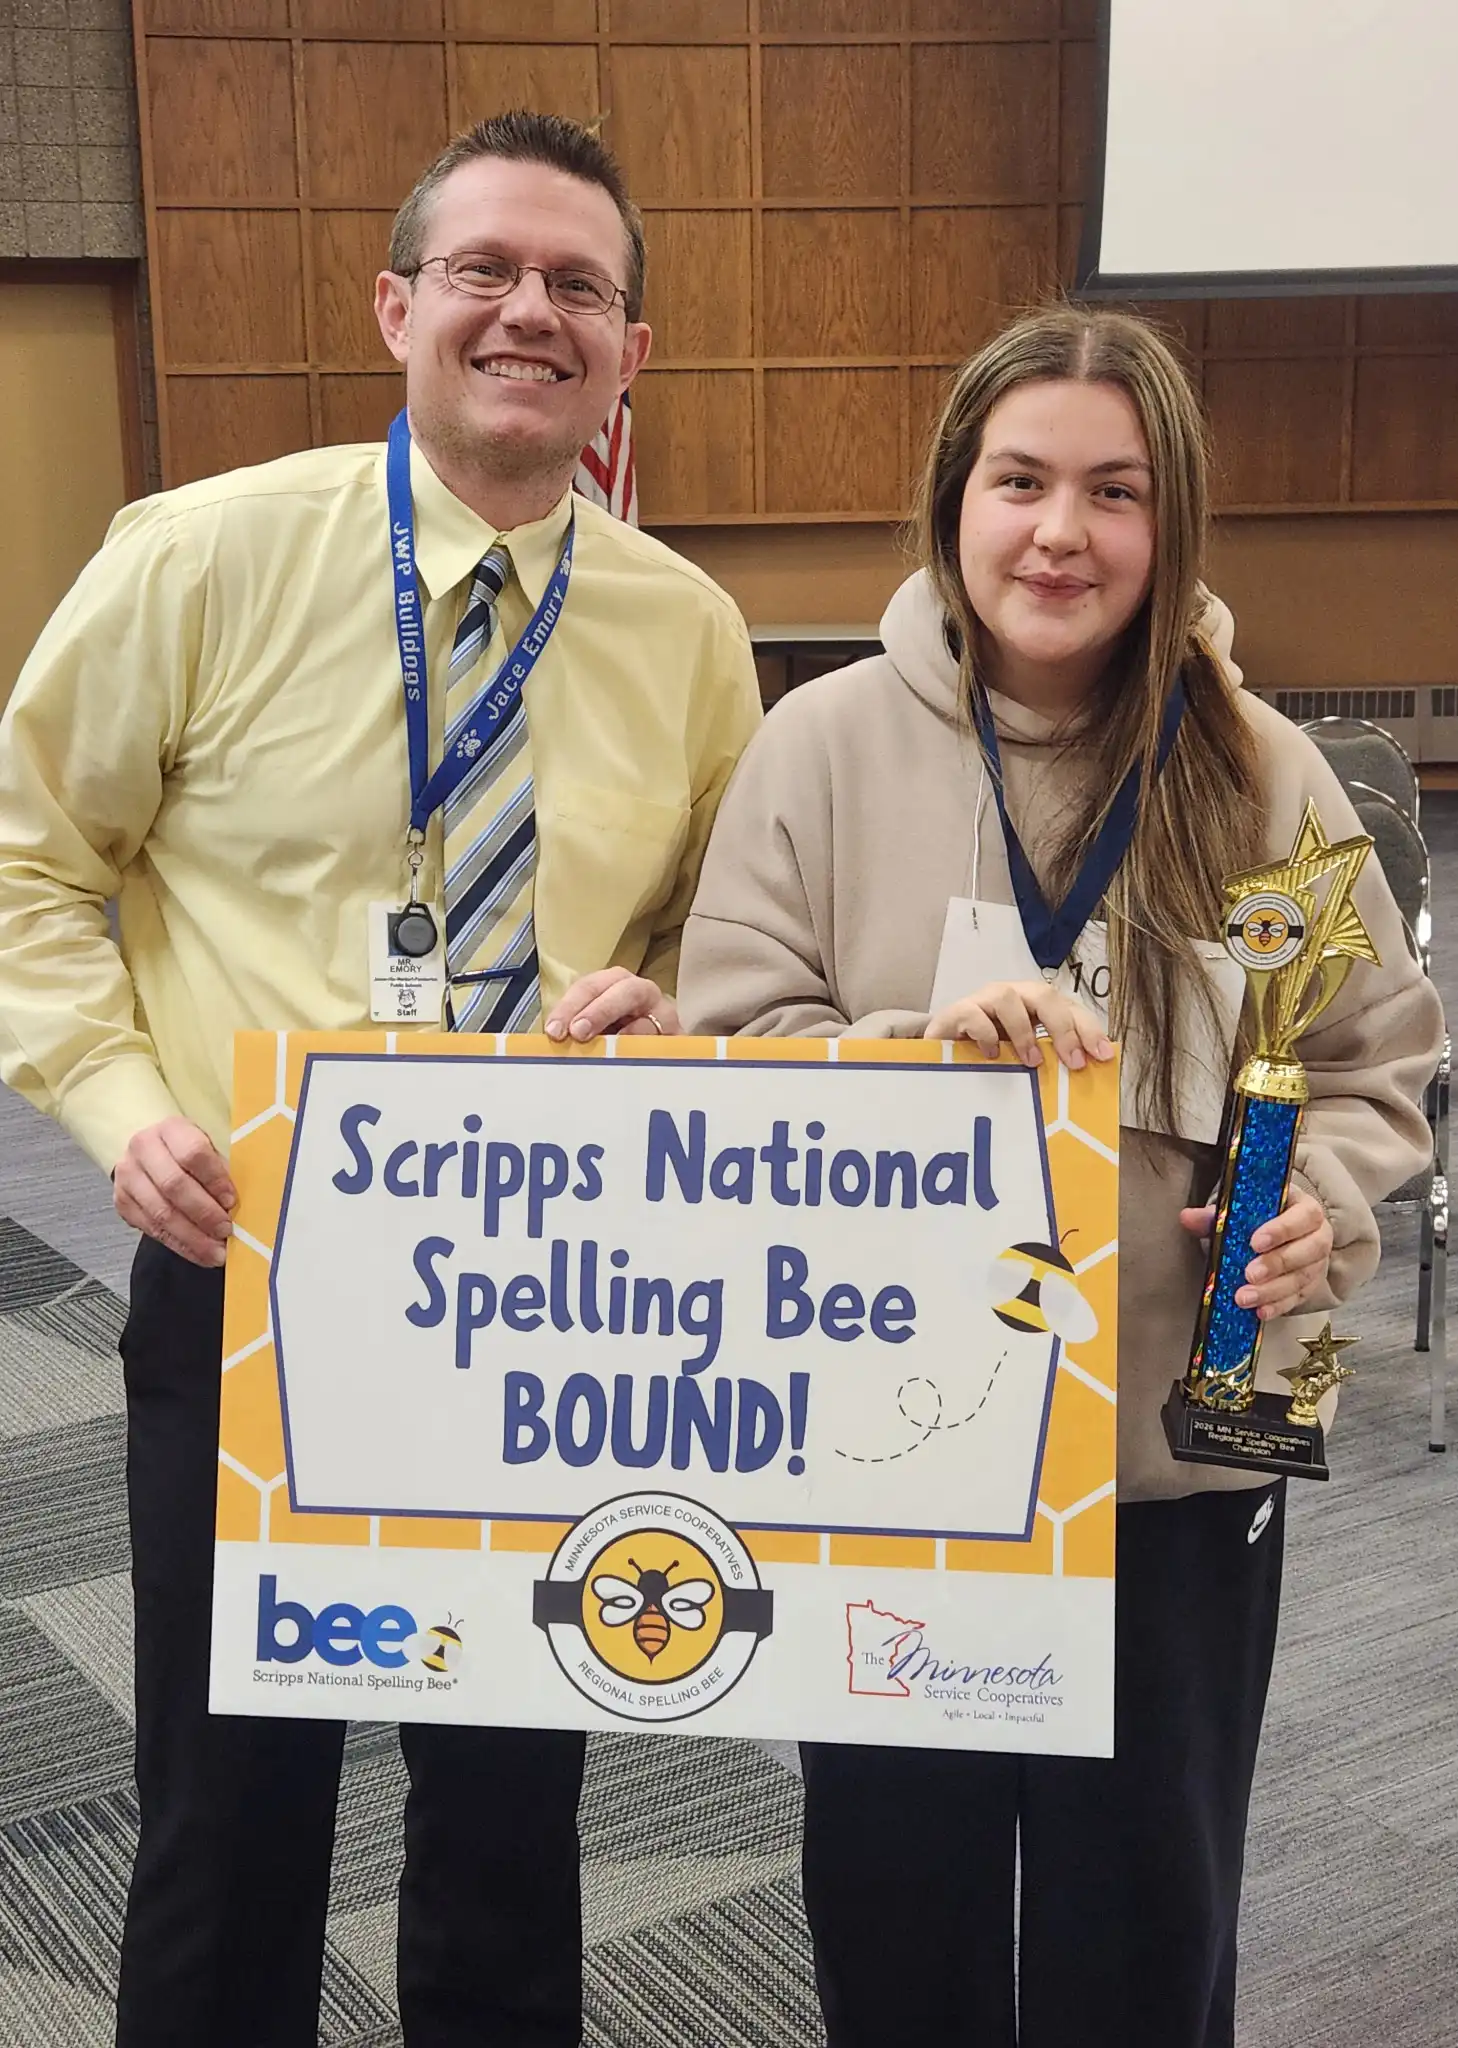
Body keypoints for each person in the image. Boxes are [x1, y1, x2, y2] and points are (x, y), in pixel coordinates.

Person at [0, 111, 761, 2047]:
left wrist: (666, 1008)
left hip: (545, 1303)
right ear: (398, 305)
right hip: (254, 1272)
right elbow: (32, 859)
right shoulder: (203, 557)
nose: (532, 312)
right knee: (232, 1810)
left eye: (579, 284)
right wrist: (116, 1107)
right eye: (488, 271)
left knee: (514, 1815)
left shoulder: (688, 633)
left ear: (632, 351)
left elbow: (719, 938)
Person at [677, 305, 1442, 2048]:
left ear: (1168, 526)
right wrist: (901, 1048)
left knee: (1146, 1923)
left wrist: (1326, 1195)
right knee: (901, 1916)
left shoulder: (1257, 779)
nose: (1061, 533)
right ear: (955, 503)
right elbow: (730, 1052)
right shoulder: (825, 748)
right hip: (893, 1455)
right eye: (1020, 480)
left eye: (1115, 490)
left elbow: (1366, 1054)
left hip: (1176, 1451)